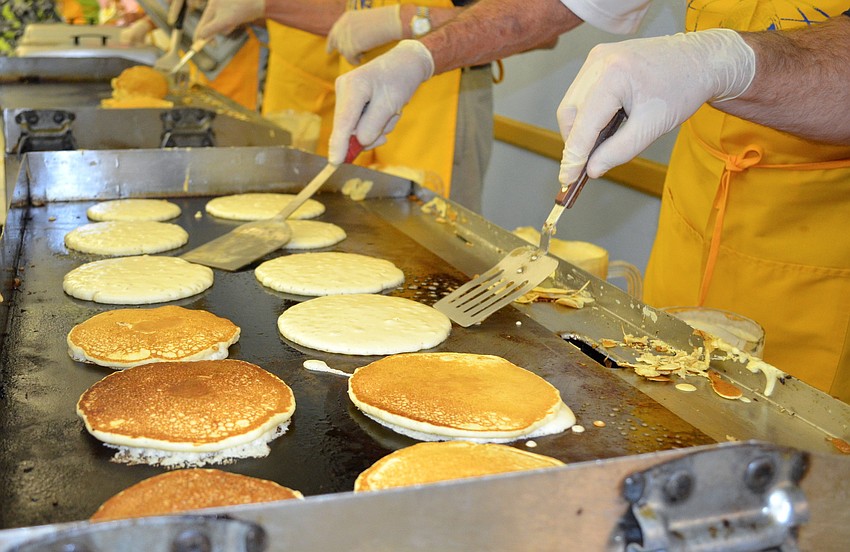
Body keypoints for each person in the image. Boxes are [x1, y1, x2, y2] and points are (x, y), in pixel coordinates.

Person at [331, 0, 850, 401]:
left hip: (826, 244)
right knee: (669, 402)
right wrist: (421, 54)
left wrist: (729, 62)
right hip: (697, 212)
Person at [558, 5, 850, 402]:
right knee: (659, 398)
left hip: (819, 248)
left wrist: (723, 62)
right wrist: (440, 52)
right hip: (692, 211)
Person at [193, 0, 494, 212]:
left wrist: (405, 20)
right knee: (368, 223)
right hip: (366, 78)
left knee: (431, 234)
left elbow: (511, 18)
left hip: (440, 90)